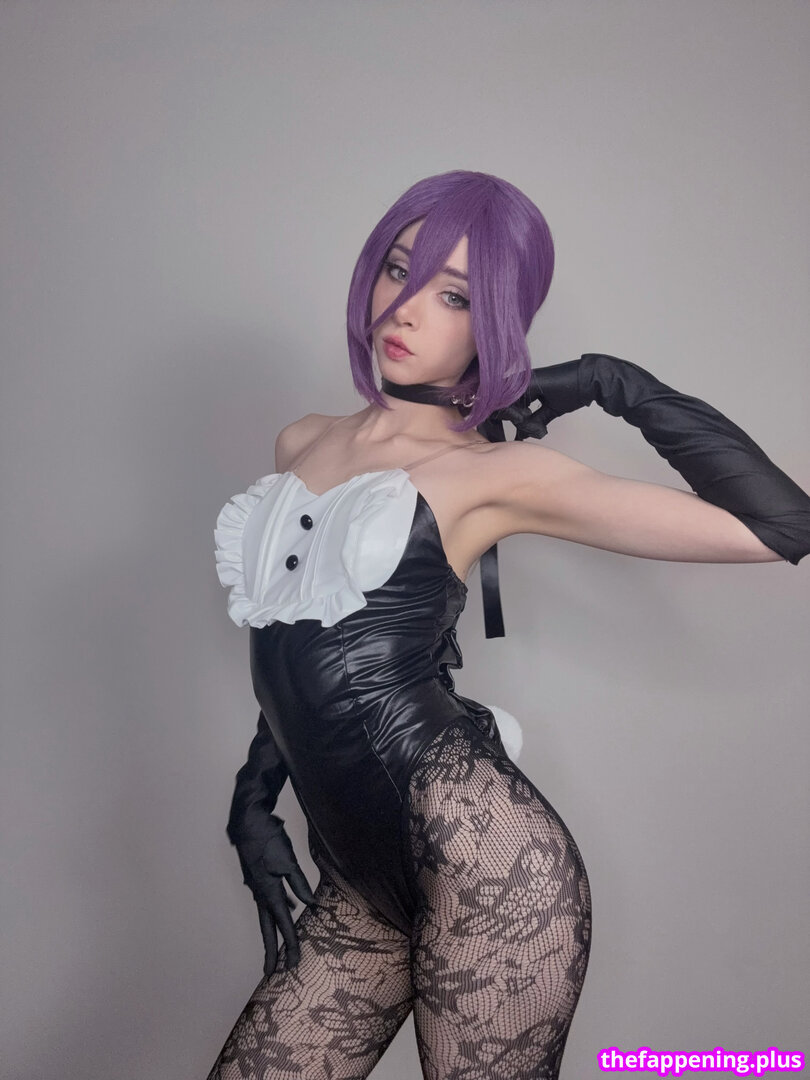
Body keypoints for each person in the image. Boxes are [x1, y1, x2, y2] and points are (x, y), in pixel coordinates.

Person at [208, 170, 810, 1080]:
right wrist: (253, 802)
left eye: (453, 296)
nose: (407, 309)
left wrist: (613, 382)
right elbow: (305, 644)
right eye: (398, 270)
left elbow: (783, 528)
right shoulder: (300, 442)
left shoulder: (493, 475)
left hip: (492, 876)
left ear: (495, 320)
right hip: (357, 886)